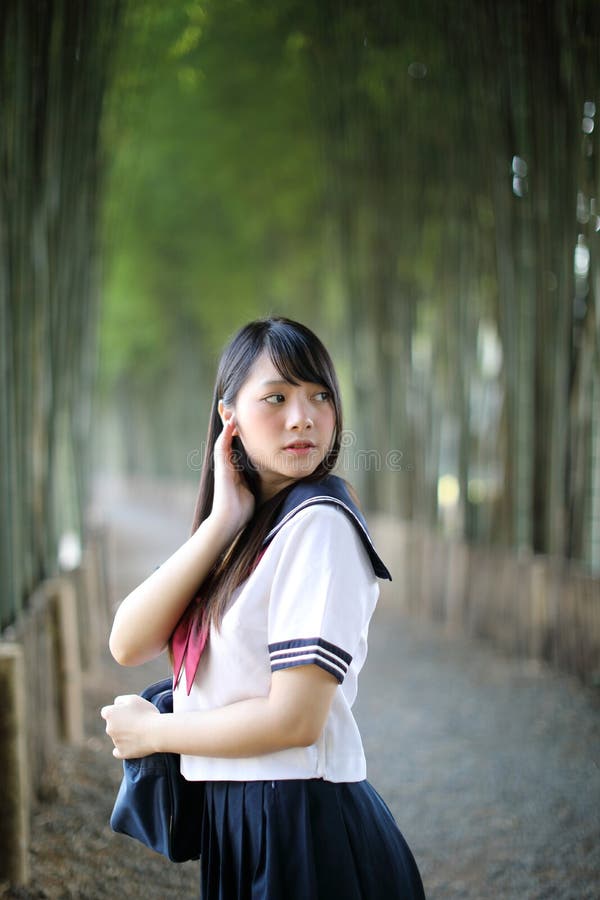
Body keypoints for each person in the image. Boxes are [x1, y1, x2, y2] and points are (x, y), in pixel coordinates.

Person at [101, 316, 426, 899]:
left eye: (319, 396)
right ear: (230, 417)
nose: (303, 417)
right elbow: (128, 641)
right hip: (252, 819)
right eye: (276, 397)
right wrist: (223, 521)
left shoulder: (319, 524)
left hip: (300, 826)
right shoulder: (253, 528)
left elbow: (293, 721)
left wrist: (158, 733)